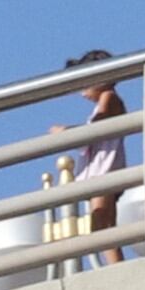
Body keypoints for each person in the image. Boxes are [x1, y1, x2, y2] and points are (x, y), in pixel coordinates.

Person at [53, 54, 137, 268]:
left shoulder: (109, 98)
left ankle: (116, 266)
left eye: (84, 83)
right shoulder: (105, 101)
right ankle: (115, 264)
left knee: (101, 221)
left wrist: (66, 132)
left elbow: (95, 129)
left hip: (104, 172)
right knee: (104, 221)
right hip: (101, 171)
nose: (82, 92)